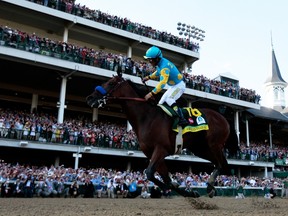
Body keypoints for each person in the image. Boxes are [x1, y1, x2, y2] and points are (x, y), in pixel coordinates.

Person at [142, 46, 188, 126]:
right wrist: (148, 77)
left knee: (170, 99)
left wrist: (151, 93)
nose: (149, 61)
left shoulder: (164, 67)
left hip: (179, 86)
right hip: (173, 86)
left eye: (150, 59)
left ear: (157, 58)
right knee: (160, 103)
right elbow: (157, 72)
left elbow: (162, 83)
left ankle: (182, 118)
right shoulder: (160, 64)